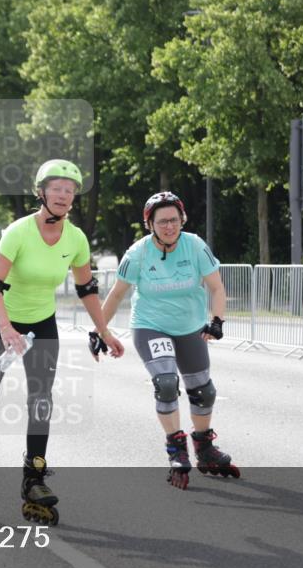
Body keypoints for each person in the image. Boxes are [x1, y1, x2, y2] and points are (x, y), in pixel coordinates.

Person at [0, 159, 124, 525]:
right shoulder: (19, 232)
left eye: (70, 190)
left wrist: (104, 331)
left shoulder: (76, 238)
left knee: (41, 402)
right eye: (57, 189)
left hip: (41, 326)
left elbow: (86, 289)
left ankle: (34, 479)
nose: (65, 195)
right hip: (0, 325)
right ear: (42, 193)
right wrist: (4, 328)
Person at [97, 191, 239, 490]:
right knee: (165, 383)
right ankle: (176, 448)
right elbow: (117, 294)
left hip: (190, 326)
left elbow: (216, 287)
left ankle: (204, 448)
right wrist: (100, 331)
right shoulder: (138, 253)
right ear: (150, 224)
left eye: (174, 220)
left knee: (203, 391)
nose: (169, 226)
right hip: (151, 325)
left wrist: (216, 321)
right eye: (162, 221)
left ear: (182, 220)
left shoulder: (195, 246)